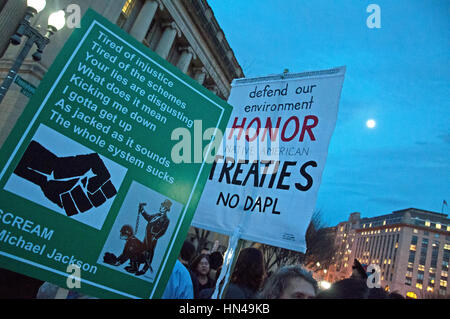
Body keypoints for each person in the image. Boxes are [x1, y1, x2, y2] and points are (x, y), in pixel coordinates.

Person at [136, 199, 172, 276]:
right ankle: (136, 266)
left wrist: (155, 237)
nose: (161, 207)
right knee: (142, 250)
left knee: (149, 252)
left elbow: (163, 231)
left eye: (163, 206)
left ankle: (144, 269)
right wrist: (142, 210)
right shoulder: (156, 215)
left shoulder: (166, 220)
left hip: (153, 237)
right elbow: (148, 217)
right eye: (161, 205)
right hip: (147, 236)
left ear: (166, 209)